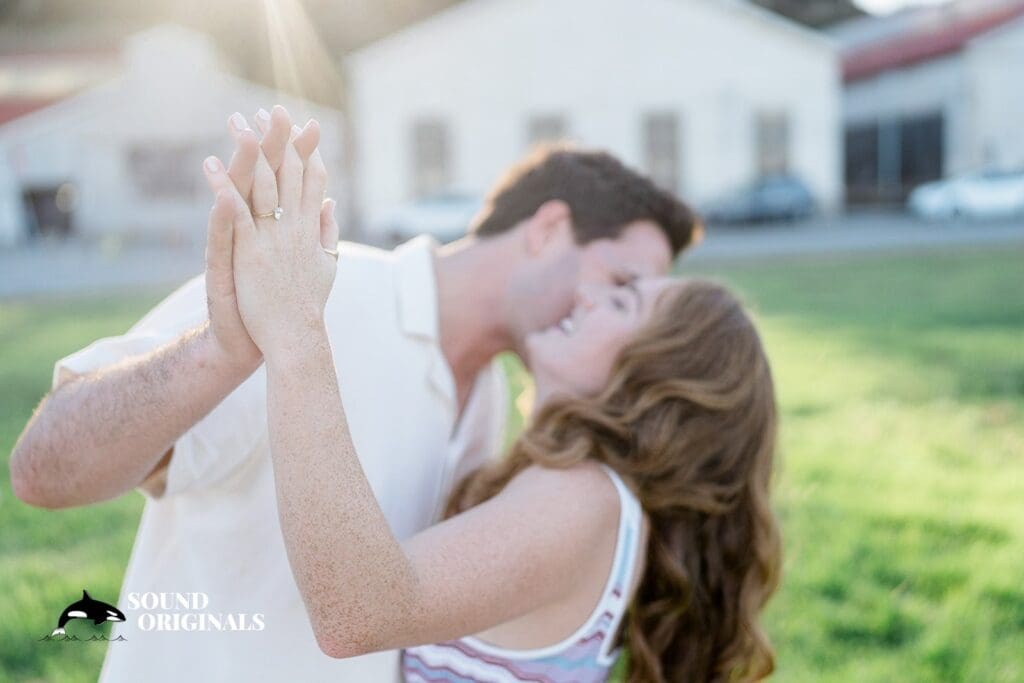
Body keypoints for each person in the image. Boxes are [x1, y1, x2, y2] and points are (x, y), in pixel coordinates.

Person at [9, 106, 699, 681]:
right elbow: (44, 468)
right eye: (618, 282)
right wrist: (223, 349)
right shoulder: (321, 295)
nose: (620, 324)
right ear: (548, 229)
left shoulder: (492, 395)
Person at [220, 117, 784, 682]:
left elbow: (358, 612)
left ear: (653, 380)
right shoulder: (574, 486)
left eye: (621, 302)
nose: (587, 297)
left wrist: (295, 327)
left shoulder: (582, 498)